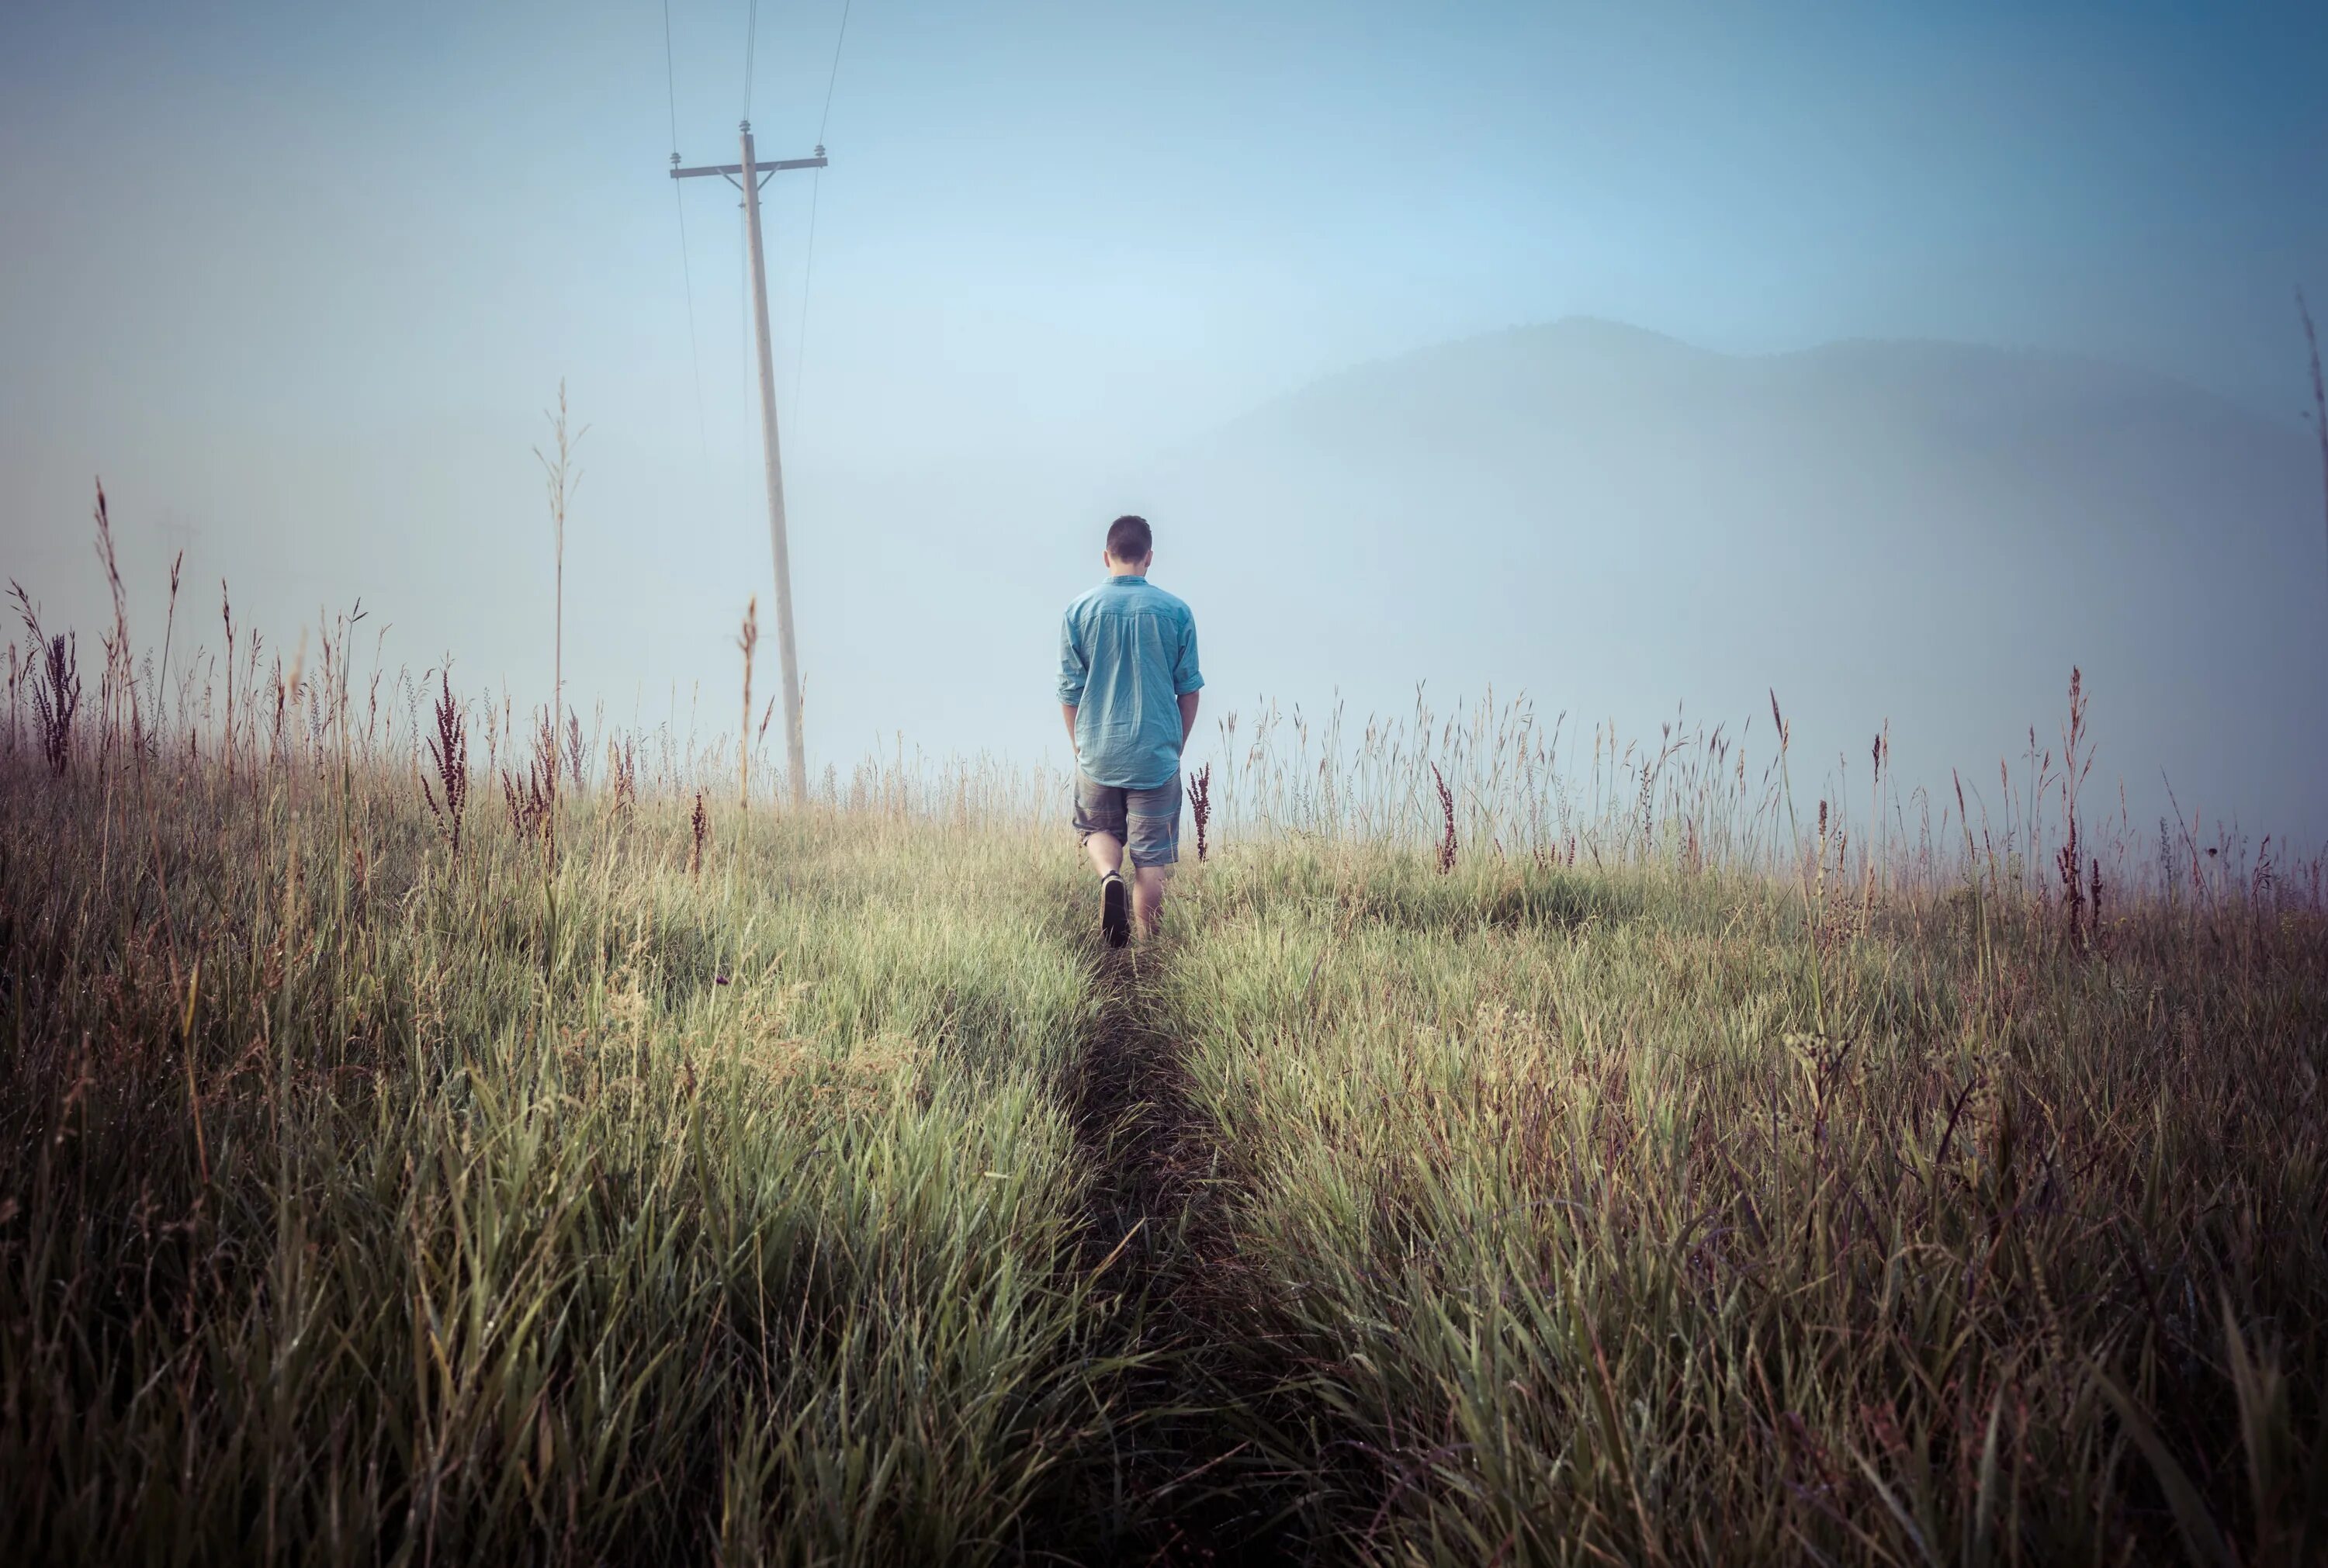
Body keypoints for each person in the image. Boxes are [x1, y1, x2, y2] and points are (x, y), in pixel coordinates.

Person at [1057, 514, 1204, 947]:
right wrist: (1176, 747)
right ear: (1149, 558)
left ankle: (1107, 876)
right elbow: (1189, 691)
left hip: (1098, 749)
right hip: (1156, 754)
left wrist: (1079, 746)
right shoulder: (1176, 612)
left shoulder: (1079, 610)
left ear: (1106, 556)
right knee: (1152, 860)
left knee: (1097, 829)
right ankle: (1145, 952)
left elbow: (1069, 692)